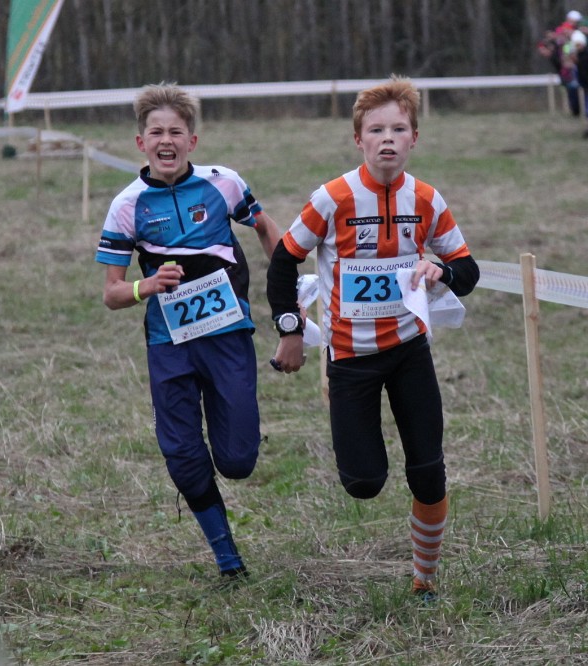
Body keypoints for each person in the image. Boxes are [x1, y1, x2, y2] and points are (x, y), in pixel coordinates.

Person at [265, 76, 480, 599]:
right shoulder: (333, 197)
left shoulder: (426, 199)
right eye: (376, 130)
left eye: (399, 129)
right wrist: (290, 328)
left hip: (409, 352)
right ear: (358, 139)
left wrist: (442, 271)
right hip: (351, 358)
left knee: (428, 472)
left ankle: (424, 579)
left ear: (414, 138)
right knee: (364, 483)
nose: (388, 139)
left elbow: (467, 268)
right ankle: (354, 437)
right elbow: (284, 260)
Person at [95, 83, 282, 581]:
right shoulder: (127, 205)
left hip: (227, 336)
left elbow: (266, 229)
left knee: (238, 461)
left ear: (192, 141)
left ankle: (232, 454)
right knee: (181, 455)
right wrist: (147, 286)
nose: (166, 141)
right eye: (156, 133)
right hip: (169, 345)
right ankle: (227, 559)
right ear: (141, 143)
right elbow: (112, 293)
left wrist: (286, 284)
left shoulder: (224, 184)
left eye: (176, 132)